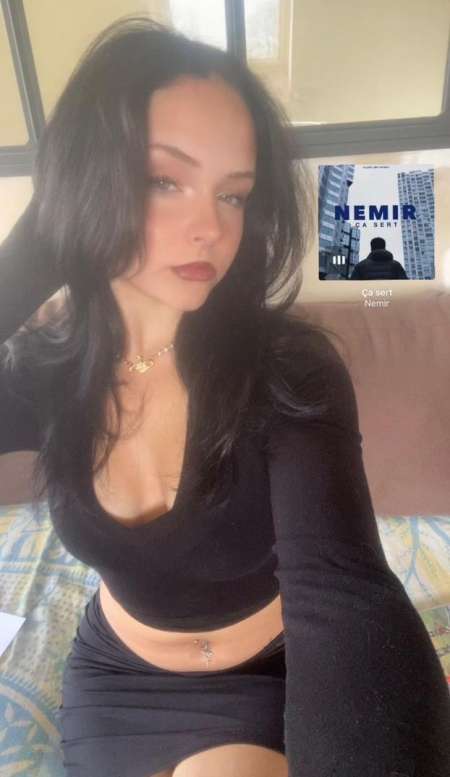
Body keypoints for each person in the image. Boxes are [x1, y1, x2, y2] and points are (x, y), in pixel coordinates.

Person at [0, 16, 448, 777]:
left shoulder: (287, 368)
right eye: (163, 180)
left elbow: (343, 590)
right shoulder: (44, 371)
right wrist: (44, 241)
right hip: (118, 681)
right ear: (89, 178)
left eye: (234, 195)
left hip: (275, 671)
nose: (209, 226)